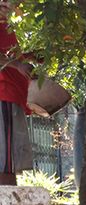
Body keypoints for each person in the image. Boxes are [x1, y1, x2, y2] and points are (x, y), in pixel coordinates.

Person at [0, 1, 33, 186]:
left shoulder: (7, 26)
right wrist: (18, 65)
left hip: (10, 95)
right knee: (5, 162)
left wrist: (30, 57)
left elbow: (9, 55)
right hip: (3, 94)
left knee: (8, 162)